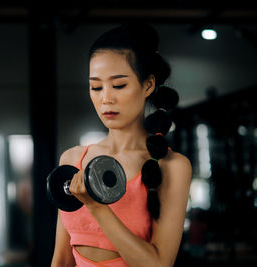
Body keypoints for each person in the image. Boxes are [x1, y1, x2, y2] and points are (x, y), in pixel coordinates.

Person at [51, 22, 192, 267]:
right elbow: (62, 260)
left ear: (147, 85)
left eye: (118, 85)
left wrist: (97, 207)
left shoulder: (172, 166)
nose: (106, 98)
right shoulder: (72, 159)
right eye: (96, 86)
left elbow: (159, 264)